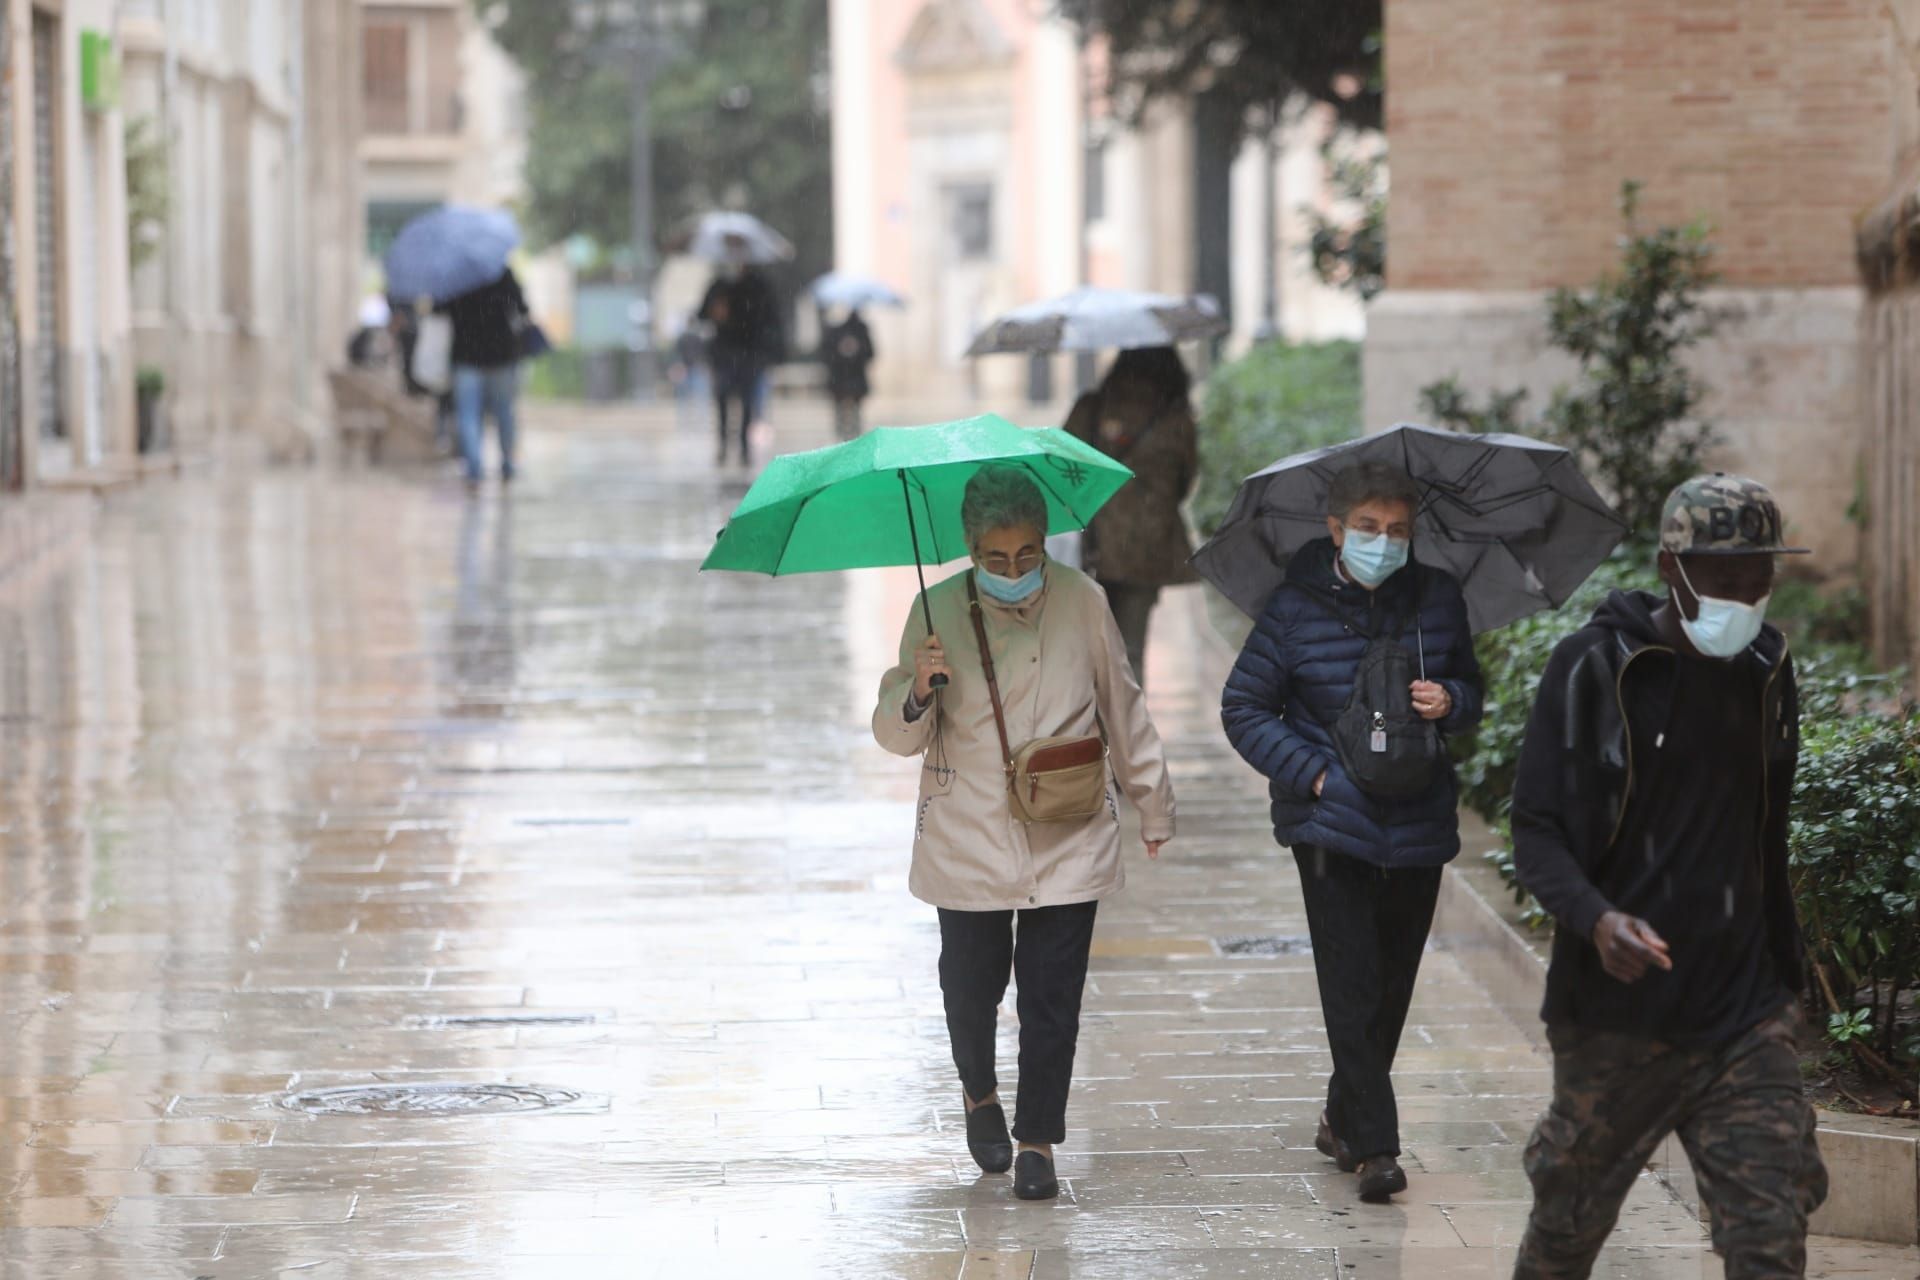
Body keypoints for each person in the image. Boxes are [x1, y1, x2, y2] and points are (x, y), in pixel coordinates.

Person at [1508, 474, 1828, 1280]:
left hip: (1744, 1015)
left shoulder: (1764, 666)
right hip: (1616, 1023)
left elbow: (1765, 828)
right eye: (1725, 580)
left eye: (1759, 579)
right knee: (1564, 1235)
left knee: (1768, 1239)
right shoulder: (1593, 669)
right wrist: (1596, 918)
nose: (1746, 597)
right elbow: (1537, 828)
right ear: (1670, 568)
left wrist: (1784, 980)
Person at [872, 465, 1176, 1203]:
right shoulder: (935, 609)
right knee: (970, 985)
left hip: (1068, 826)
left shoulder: (1084, 601)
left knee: (1053, 994)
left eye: (1028, 555)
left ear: (1046, 543)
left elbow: (1123, 705)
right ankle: (980, 1095)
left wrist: (1153, 802)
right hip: (967, 829)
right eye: (995, 560)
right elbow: (893, 735)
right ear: (972, 550)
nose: (1014, 572)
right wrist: (920, 687)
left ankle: (1038, 1137)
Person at [1220, 460, 1483, 1202]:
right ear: (1336, 530)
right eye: (1367, 527)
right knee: (1352, 981)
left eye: (1397, 529)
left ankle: (1342, 1116)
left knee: (1392, 986)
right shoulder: (1294, 608)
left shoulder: (1437, 598)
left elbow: (1474, 695)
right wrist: (1314, 776)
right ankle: (1375, 1149)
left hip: (1419, 817)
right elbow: (1243, 707)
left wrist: (1450, 700)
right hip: (1330, 824)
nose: (1383, 540)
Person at [1063, 346, 1199, 686]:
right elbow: (1185, 480)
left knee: (1090, 647)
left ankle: (1094, 727)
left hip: (1096, 543)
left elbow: (1063, 464)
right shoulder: (1176, 416)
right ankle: (1131, 731)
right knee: (1132, 650)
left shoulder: (1093, 407)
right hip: (1150, 547)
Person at [443, 267, 530, 489]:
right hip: (500, 353)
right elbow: (522, 307)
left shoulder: (456, 276)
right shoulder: (501, 272)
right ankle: (507, 463)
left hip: (466, 355)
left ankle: (474, 468)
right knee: (504, 412)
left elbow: (442, 309)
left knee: (468, 414)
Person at [699, 235, 782, 465]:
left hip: (749, 353)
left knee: (747, 401)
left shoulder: (759, 285)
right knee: (723, 399)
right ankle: (724, 445)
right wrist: (716, 311)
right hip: (724, 354)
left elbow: (769, 319)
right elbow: (702, 313)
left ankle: (744, 448)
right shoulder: (718, 285)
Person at [822, 306, 875, 440]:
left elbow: (870, 353)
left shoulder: (860, 331)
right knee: (845, 412)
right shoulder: (837, 331)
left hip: (851, 378)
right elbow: (827, 355)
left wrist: (855, 350)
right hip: (842, 378)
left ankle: (849, 436)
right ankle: (846, 435)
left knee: (852, 412)